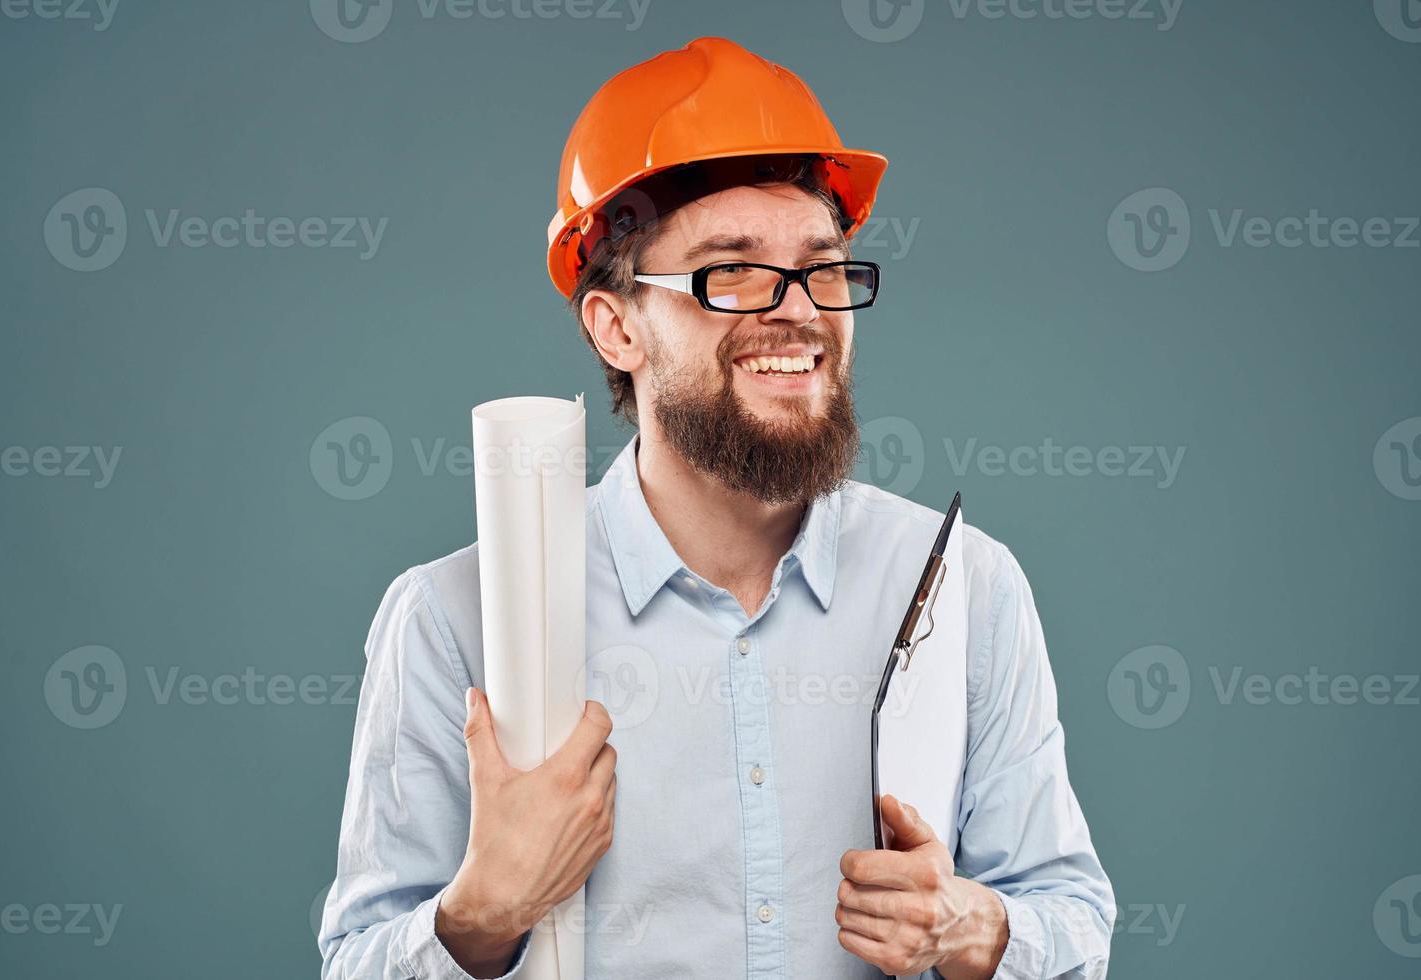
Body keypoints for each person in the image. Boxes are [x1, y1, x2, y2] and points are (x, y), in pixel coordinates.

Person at [320, 36, 1114, 979]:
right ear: (617, 327)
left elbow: (1070, 917)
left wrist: (976, 930)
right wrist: (483, 911)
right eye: (729, 272)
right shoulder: (457, 620)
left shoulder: (965, 586)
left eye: (822, 268)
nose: (798, 313)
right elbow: (358, 961)